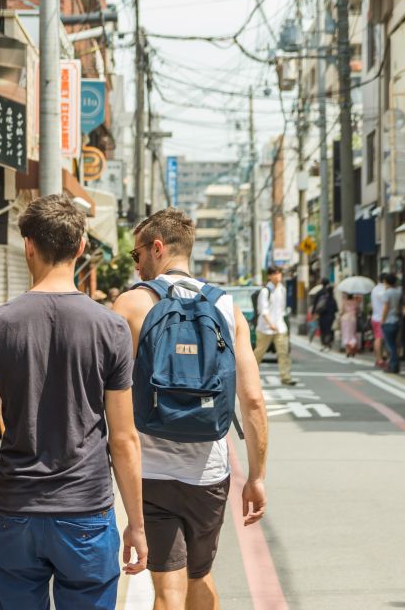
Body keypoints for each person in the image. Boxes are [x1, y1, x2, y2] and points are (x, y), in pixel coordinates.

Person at [0, 194, 147, 609]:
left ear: (28, 245)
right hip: (86, 512)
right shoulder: (111, 329)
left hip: (15, 511)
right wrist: (136, 523)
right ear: (81, 247)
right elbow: (123, 439)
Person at [113, 208, 268, 610]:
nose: (137, 264)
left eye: (136, 254)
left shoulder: (130, 304)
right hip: (209, 474)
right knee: (200, 575)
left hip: (151, 472)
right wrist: (256, 477)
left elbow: (105, 392)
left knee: (167, 590)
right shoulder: (227, 307)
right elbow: (252, 399)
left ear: (157, 248)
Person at [254, 265, 296, 385]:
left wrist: (280, 324)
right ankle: (250, 376)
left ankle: (286, 377)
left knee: (283, 353)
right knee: (259, 353)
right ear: (269, 276)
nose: (278, 276)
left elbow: (282, 309)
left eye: (279, 273)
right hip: (265, 328)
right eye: (275, 273)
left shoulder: (282, 289)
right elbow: (263, 310)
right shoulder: (265, 291)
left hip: (280, 327)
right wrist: (270, 324)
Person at [381, 273, 404, 373]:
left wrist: (382, 321)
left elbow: (385, 308)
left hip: (388, 321)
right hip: (396, 320)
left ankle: (393, 366)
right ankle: (395, 365)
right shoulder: (399, 292)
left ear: (386, 282)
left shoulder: (387, 293)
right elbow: (399, 307)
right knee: (395, 344)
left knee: (390, 346)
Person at [314, 280, 338, 351]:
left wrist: (315, 313)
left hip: (322, 317)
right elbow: (336, 309)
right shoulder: (333, 300)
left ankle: (324, 344)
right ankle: (328, 344)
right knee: (329, 331)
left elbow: (317, 306)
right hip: (331, 317)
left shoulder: (322, 297)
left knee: (323, 331)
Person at [370, 279, 387, 367]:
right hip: (381, 318)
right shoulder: (383, 290)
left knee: (377, 338)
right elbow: (385, 302)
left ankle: (378, 358)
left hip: (375, 317)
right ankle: (380, 359)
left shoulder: (374, 289)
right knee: (379, 339)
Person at [340, 292, 361, 358]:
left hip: (345, 319)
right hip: (353, 319)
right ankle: (352, 348)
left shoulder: (344, 302)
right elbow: (358, 311)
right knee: (352, 334)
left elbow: (341, 311)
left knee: (346, 334)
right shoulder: (355, 302)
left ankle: (347, 351)